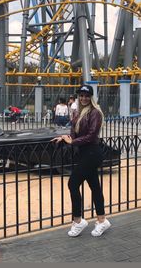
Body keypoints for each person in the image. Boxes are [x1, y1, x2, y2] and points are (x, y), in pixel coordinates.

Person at [51, 84, 111, 237]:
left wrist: (73, 142)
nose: (83, 98)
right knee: (95, 187)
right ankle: (102, 220)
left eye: (86, 95)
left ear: (91, 97)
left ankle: (78, 221)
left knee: (73, 183)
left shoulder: (95, 113)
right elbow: (75, 134)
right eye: (81, 95)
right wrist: (64, 138)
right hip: (85, 154)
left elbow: (91, 136)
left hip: (92, 153)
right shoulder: (78, 113)